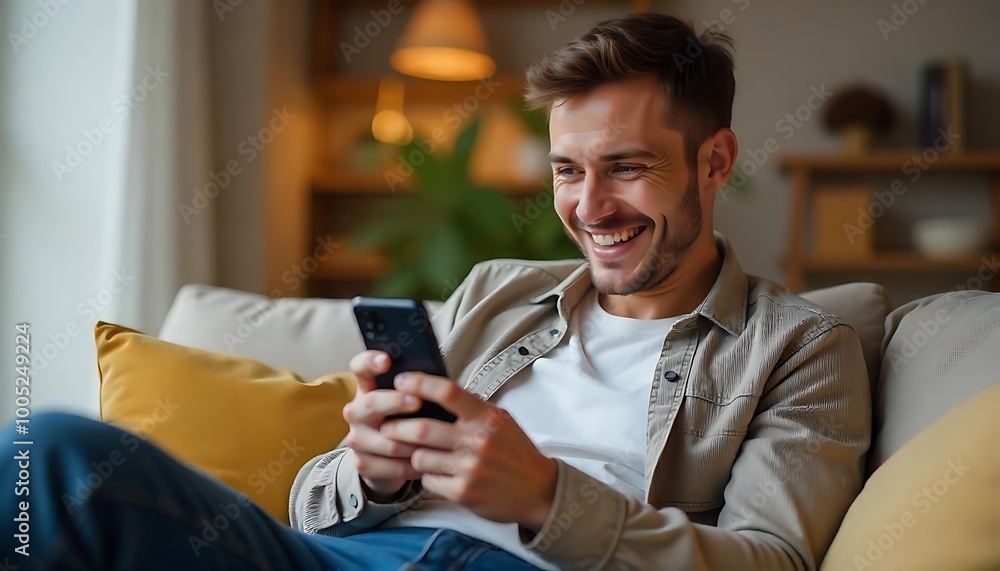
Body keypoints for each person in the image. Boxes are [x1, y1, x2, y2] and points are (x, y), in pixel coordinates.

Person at [1, 13, 870, 571]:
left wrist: (546, 497)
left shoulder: (800, 347)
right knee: (51, 457)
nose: (590, 206)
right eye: (568, 171)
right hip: (350, 558)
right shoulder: (498, 291)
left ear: (715, 161)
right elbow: (310, 504)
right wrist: (370, 474)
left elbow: (772, 561)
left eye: (627, 168)